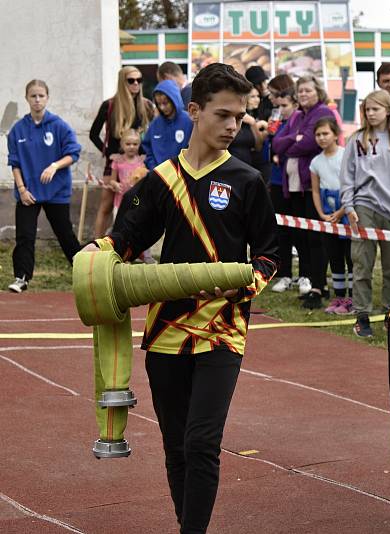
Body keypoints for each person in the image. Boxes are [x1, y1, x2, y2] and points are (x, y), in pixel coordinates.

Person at [82, 63, 280, 534]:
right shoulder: (160, 180)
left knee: (202, 443)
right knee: (176, 448)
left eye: (240, 116)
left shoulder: (247, 180)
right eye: (223, 115)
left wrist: (245, 284)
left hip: (222, 330)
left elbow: (270, 257)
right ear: (194, 111)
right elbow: (124, 240)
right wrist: (95, 254)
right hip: (166, 331)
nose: (234, 126)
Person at [340, 89, 390, 338]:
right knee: (362, 261)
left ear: (387, 110)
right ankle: (362, 315)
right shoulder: (356, 140)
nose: (371, 113)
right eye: (367, 109)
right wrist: (349, 206)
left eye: (375, 108)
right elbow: (347, 175)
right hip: (365, 205)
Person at [6, 79, 82, 293]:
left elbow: (73, 153)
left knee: (65, 234)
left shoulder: (59, 126)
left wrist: (54, 166)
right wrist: (21, 190)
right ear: (27, 98)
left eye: (41, 96)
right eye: (33, 96)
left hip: (56, 192)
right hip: (28, 193)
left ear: (47, 98)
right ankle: (21, 277)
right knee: (25, 236)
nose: (37, 100)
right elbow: (15, 163)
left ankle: (86, 273)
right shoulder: (17, 130)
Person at [272, 76, 335, 309]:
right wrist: (291, 140)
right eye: (300, 91)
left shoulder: (321, 112)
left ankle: (319, 285)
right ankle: (310, 280)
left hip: (312, 185)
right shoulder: (298, 115)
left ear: (318, 91)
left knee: (315, 237)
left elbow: (309, 143)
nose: (303, 94)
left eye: (308, 90)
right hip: (295, 186)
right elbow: (276, 143)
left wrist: (291, 146)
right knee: (301, 236)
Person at [89, 66, 154, 237]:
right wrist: (108, 153)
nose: (136, 84)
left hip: (137, 165)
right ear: (122, 82)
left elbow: (154, 134)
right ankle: (97, 246)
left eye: (139, 80)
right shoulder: (109, 105)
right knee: (106, 205)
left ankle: (135, 247)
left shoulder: (146, 105)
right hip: (115, 164)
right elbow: (93, 134)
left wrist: (146, 156)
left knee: (138, 204)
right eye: (131, 80)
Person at [309, 117, 352, 314]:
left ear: (335, 134)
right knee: (334, 257)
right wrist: (321, 213)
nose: (322, 138)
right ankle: (339, 297)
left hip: (346, 211)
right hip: (327, 214)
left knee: (350, 256)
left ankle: (352, 298)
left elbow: (352, 185)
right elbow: (316, 190)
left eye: (325, 133)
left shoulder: (345, 156)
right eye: (318, 134)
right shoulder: (316, 162)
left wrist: (342, 210)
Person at [265, 89, 299, 294]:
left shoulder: (298, 121)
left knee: (301, 232)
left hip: (295, 182)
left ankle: (305, 275)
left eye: (285, 105)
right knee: (281, 230)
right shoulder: (276, 123)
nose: (281, 110)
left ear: (294, 105)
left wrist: (281, 146)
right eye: (278, 106)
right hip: (277, 180)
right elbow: (273, 147)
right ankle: (284, 272)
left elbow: (293, 144)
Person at [142, 80, 193, 170]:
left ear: (174, 100)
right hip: (158, 176)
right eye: (158, 104)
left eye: (165, 103)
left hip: (183, 174)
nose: (162, 107)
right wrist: (153, 168)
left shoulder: (189, 121)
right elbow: (147, 149)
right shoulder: (155, 124)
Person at [227, 86, 266, 169]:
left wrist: (253, 124)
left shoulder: (254, 117)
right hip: (231, 166)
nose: (257, 99)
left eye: (258, 96)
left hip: (248, 167)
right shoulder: (234, 116)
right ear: (244, 99)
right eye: (252, 97)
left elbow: (258, 146)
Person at [109, 129, 147, 216]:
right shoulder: (118, 161)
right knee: (119, 227)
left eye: (135, 144)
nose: (132, 147)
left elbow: (145, 182)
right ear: (122, 145)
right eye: (128, 144)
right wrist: (115, 185)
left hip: (136, 203)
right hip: (120, 201)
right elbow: (112, 180)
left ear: (139, 145)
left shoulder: (142, 162)